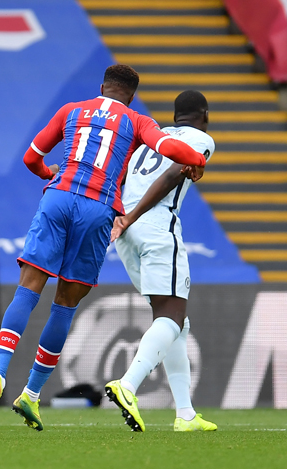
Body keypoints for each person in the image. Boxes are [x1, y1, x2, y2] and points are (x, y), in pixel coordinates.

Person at [0, 63, 207, 432]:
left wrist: (49, 173)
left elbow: (31, 158)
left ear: (102, 88)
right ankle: (31, 394)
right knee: (64, 305)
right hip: (99, 209)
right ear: (131, 96)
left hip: (59, 197)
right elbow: (171, 149)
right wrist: (197, 161)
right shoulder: (136, 120)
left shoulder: (71, 111)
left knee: (28, 289)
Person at [106, 90, 218, 432]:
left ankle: (185, 414)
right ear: (205, 115)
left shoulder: (152, 138)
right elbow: (172, 175)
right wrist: (135, 216)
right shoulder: (201, 139)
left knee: (175, 323)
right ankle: (127, 385)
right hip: (153, 224)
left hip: (126, 232)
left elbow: (120, 176)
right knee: (171, 317)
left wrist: (123, 218)